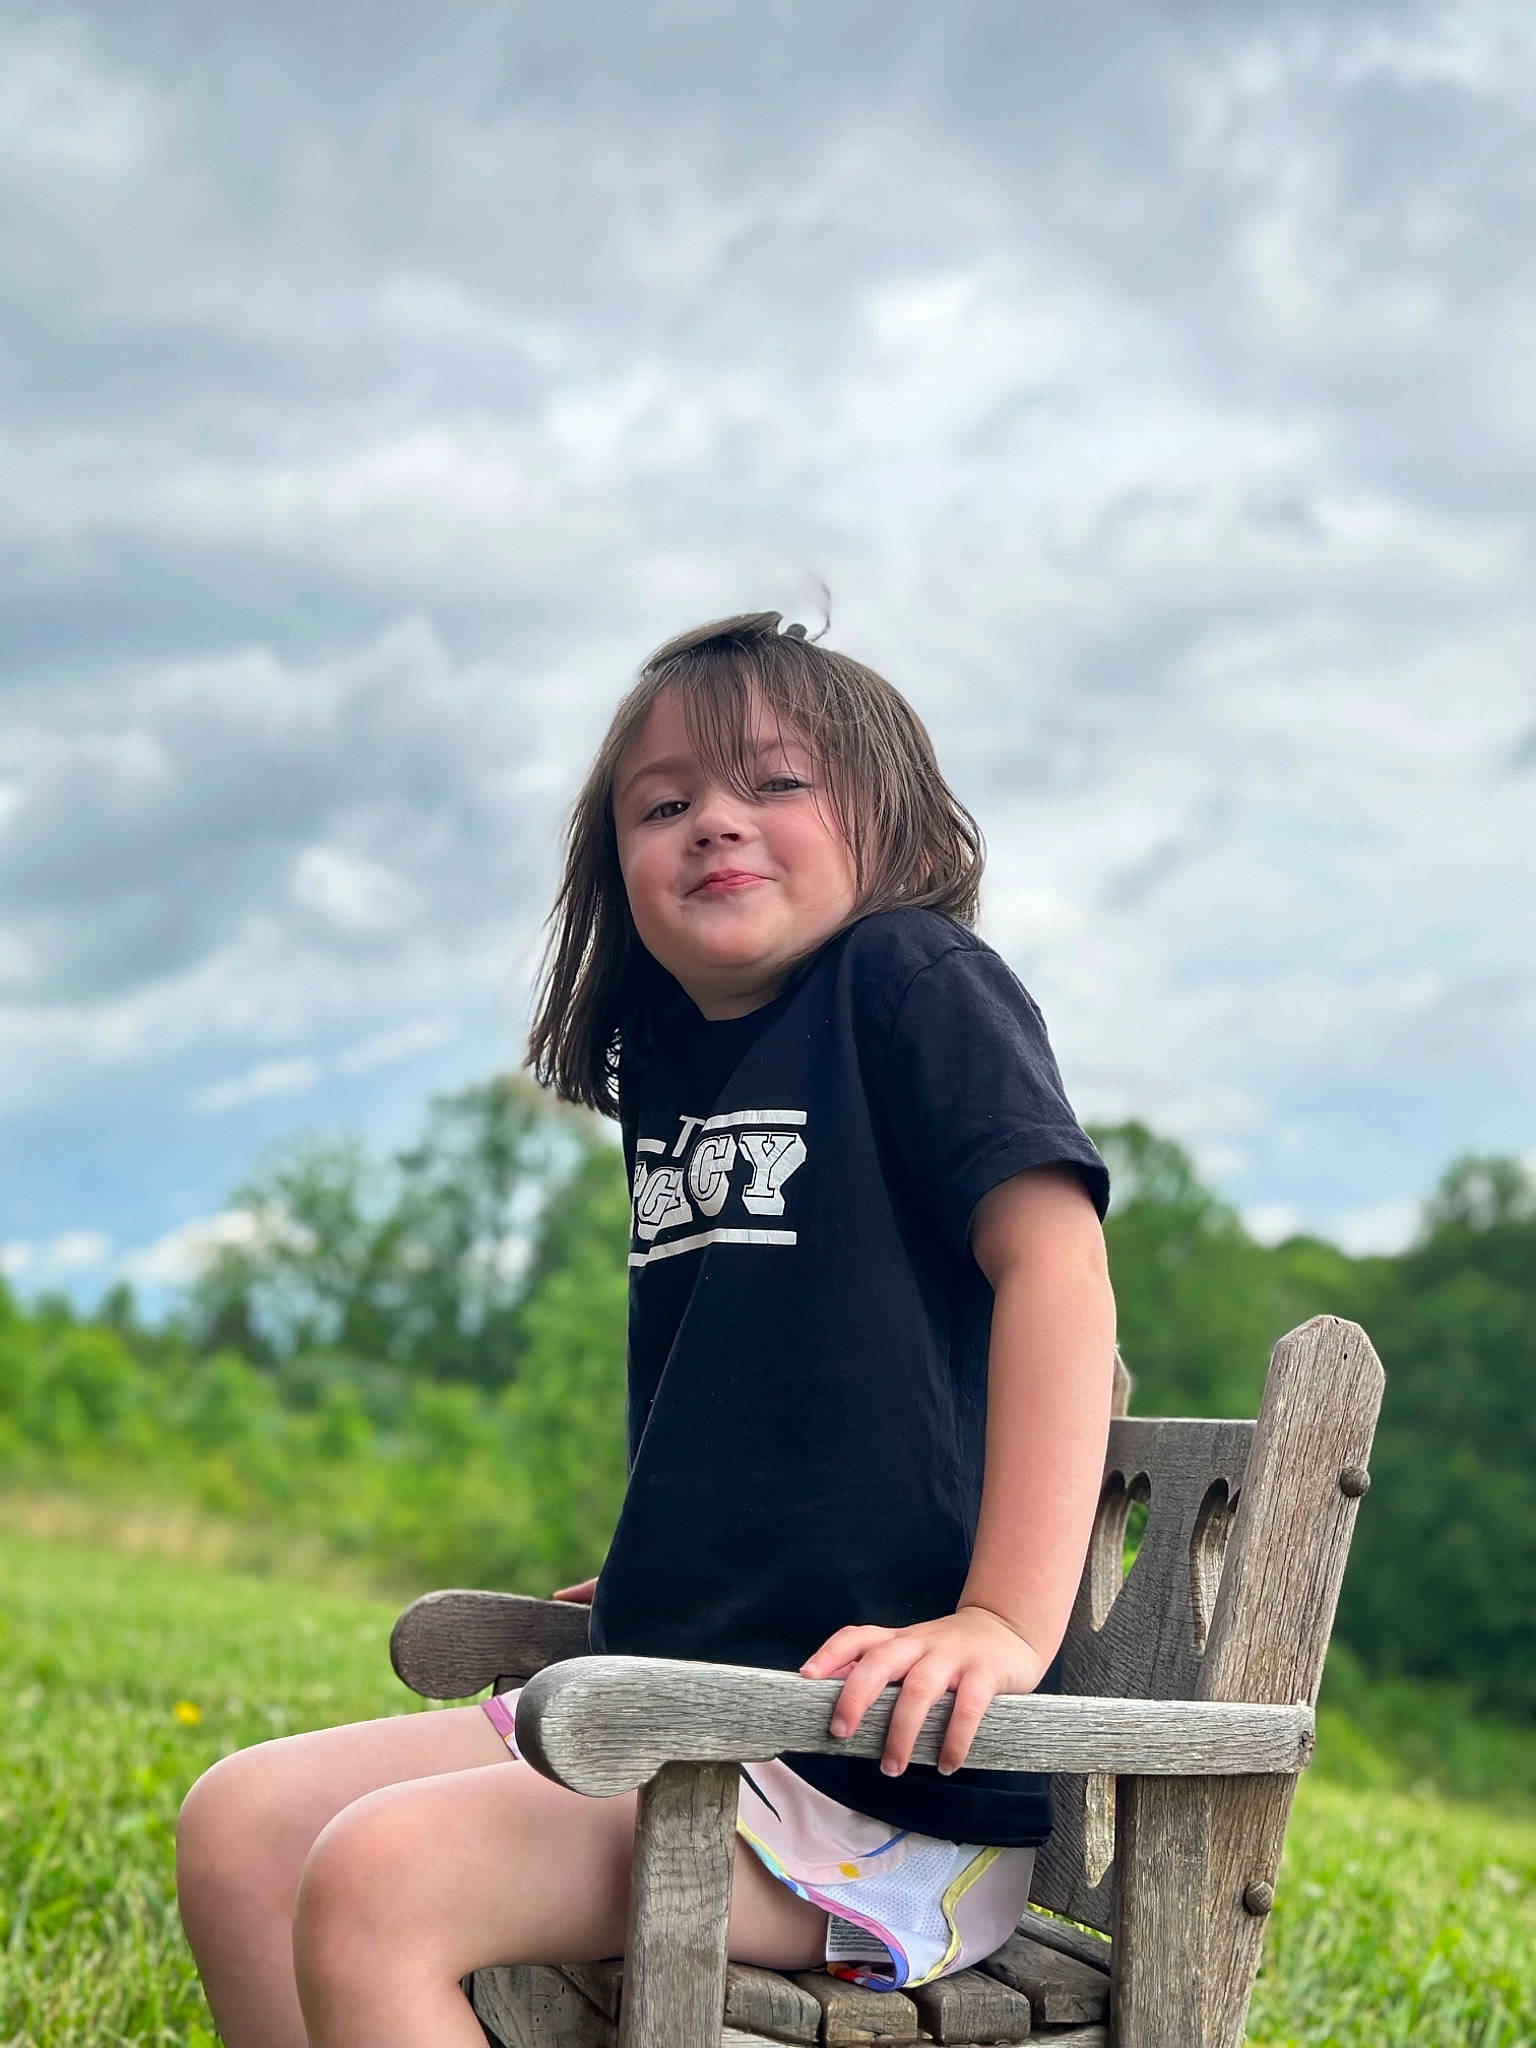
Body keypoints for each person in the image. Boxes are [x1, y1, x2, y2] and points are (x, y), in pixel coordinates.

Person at [176, 611, 1117, 2048]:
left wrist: (999, 1618)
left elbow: (1058, 1271)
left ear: (895, 819)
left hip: (872, 1780)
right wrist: (670, 1570)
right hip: (686, 1720)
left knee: (378, 1881)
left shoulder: (911, 985)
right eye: (663, 804)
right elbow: (779, 1390)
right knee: (240, 1823)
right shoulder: (681, 1070)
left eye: (775, 783)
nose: (714, 822)